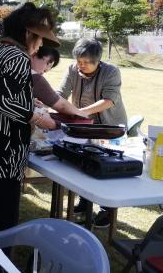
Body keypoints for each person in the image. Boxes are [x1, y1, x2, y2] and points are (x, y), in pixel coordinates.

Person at [0, 3, 58, 233]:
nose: (40, 45)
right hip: (3, 156)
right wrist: (39, 118)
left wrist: (29, 103)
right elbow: (3, 102)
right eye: (39, 38)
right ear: (28, 33)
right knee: (3, 224)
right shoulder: (17, 56)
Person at [57, 38, 128, 228]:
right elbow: (61, 92)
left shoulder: (111, 71)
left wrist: (80, 112)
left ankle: (107, 211)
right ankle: (84, 203)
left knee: (107, 168)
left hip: (109, 127)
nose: (81, 65)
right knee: (83, 163)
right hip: (83, 126)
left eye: (86, 62)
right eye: (79, 61)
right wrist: (47, 102)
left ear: (98, 60)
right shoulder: (73, 69)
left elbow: (109, 100)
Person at [31, 47, 87, 117]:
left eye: (45, 71)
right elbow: (61, 105)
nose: (42, 72)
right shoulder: (35, 77)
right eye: (47, 63)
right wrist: (83, 115)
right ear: (34, 54)